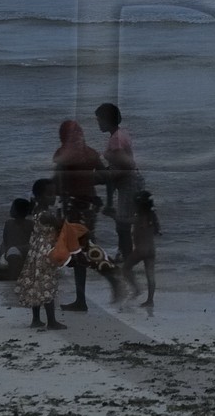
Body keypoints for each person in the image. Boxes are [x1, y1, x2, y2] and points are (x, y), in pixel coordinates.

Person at [53, 120, 109, 311]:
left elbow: (57, 182)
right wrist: (87, 179)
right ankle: (110, 277)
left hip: (73, 208)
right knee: (83, 250)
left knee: (75, 252)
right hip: (90, 207)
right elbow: (105, 177)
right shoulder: (91, 153)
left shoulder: (64, 154)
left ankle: (81, 300)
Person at [16, 183, 68, 330]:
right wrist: (62, 210)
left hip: (35, 252)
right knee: (47, 285)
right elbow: (61, 225)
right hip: (46, 252)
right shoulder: (46, 215)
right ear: (39, 197)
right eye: (49, 194)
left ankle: (36, 319)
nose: (53, 197)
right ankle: (51, 321)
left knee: (35, 285)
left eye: (54, 194)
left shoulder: (36, 210)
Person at [94, 102, 140, 258]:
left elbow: (128, 165)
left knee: (123, 224)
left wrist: (107, 175)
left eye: (99, 120)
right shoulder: (120, 134)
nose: (98, 123)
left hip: (128, 182)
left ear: (107, 120)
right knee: (122, 224)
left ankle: (127, 257)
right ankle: (123, 254)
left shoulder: (116, 140)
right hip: (129, 181)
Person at [0, 198, 33, 281]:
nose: (10, 210)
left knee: (12, 274)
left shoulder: (8, 223)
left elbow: (5, 241)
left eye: (12, 208)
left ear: (16, 211)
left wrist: (3, 255)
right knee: (13, 278)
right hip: (16, 253)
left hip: (8, 253)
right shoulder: (30, 224)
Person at [123, 191, 161, 306]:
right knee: (150, 275)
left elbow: (125, 221)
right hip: (151, 250)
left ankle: (136, 289)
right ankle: (150, 300)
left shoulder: (139, 218)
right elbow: (157, 231)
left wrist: (114, 216)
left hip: (140, 250)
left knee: (126, 268)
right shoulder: (152, 217)